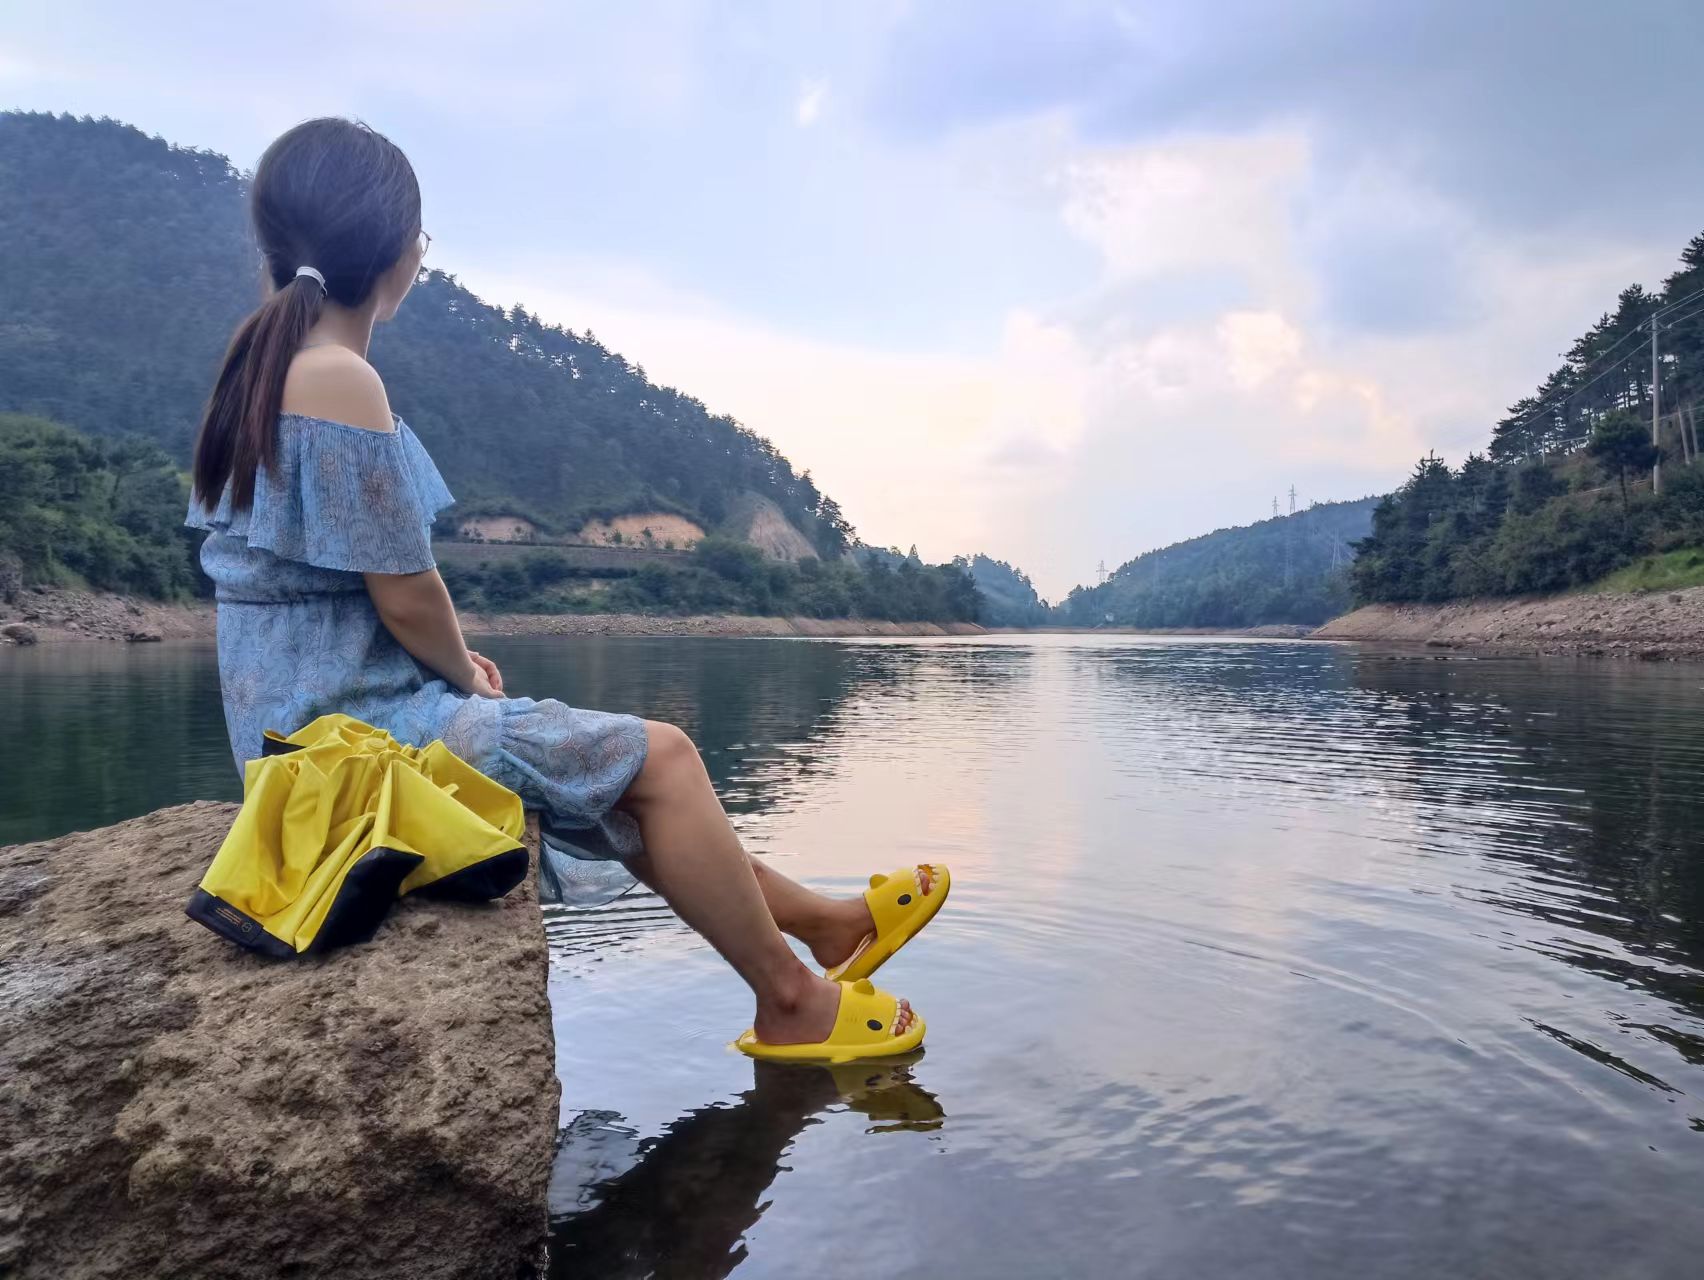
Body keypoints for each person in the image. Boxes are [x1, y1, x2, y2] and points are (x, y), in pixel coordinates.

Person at [187, 117, 945, 1058]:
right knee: (662, 759)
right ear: (395, 252)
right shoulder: (337, 377)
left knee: (605, 771)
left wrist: (449, 673)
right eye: (422, 236)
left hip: (309, 728)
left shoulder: (260, 368)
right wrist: (463, 676)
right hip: (343, 745)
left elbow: (325, 598)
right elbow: (405, 593)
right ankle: (791, 1000)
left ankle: (825, 928)